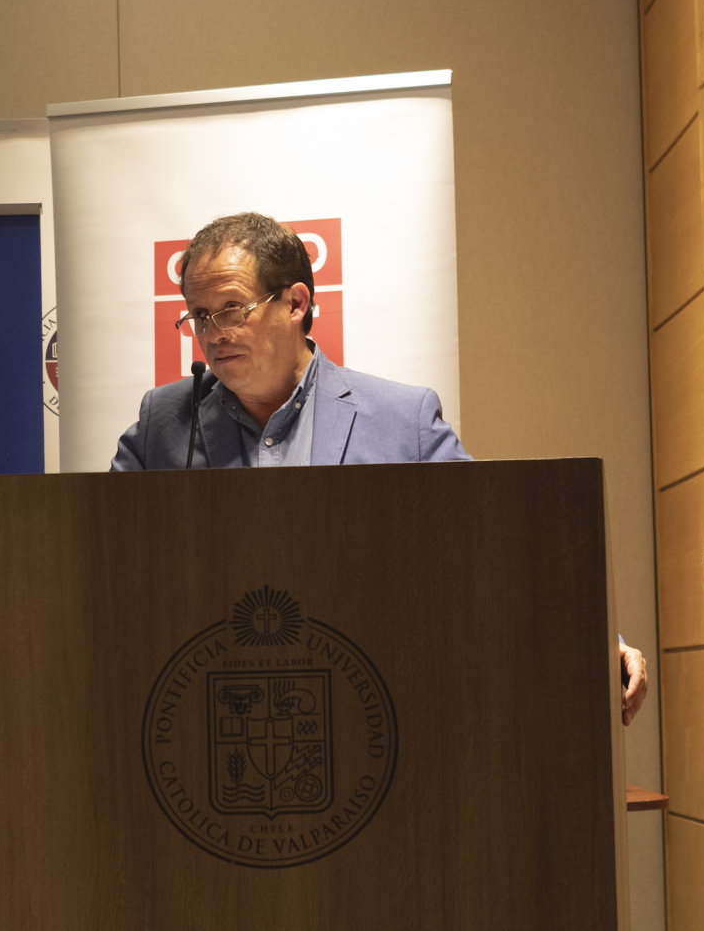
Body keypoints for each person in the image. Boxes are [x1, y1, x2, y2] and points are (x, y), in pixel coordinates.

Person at [110, 212, 647, 724]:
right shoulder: (165, 422)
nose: (213, 333)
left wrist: (602, 645)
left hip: (368, 698)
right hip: (208, 696)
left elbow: (495, 547)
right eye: (199, 316)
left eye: (231, 309)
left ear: (296, 303)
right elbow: (104, 550)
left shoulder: (402, 419)